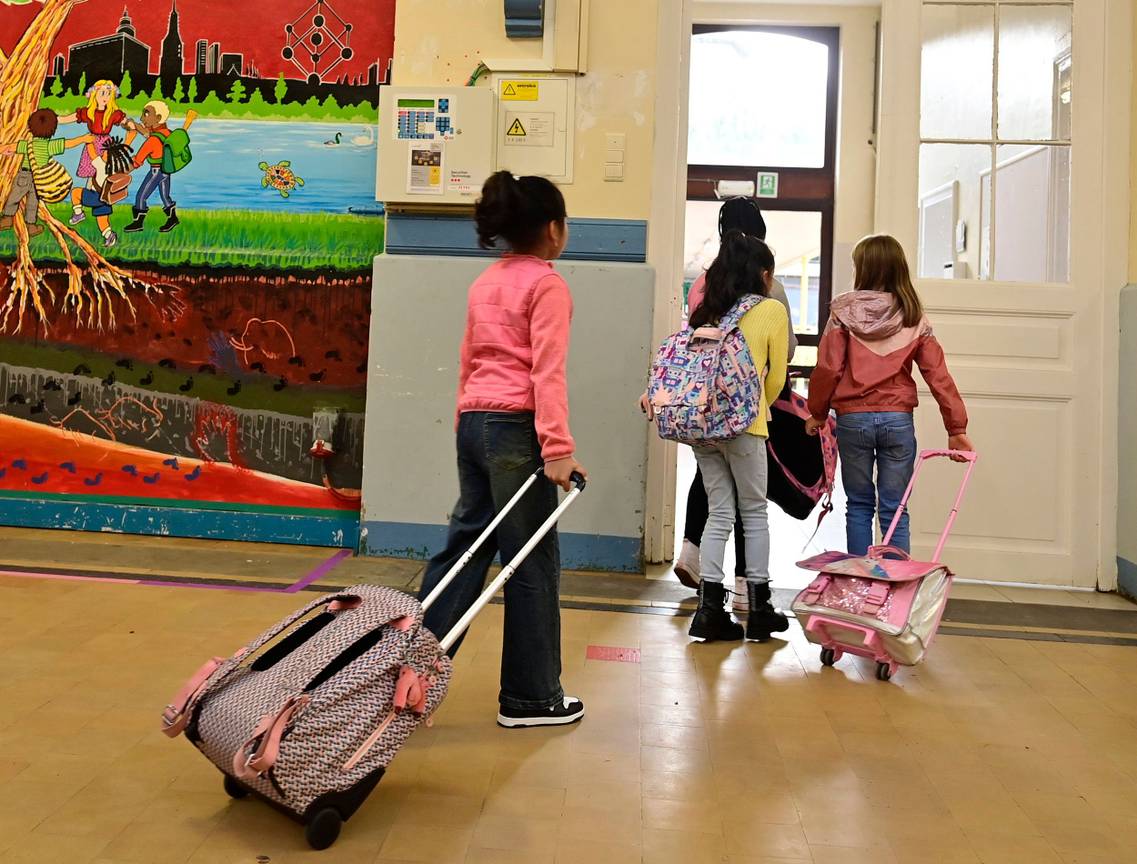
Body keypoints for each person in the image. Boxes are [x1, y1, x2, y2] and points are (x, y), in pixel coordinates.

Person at [417, 171, 588, 729]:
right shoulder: (548, 285)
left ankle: (404, 675)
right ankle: (531, 698)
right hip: (515, 429)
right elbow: (548, 372)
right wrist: (558, 448)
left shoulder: (487, 280)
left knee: (460, 555)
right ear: (553, 230)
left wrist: (467, 426)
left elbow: (469, 359)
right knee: (530, 561)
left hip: (474, 422)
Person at [806, 234, 973, 556]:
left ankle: (859, 582)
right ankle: (894, 588)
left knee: (858, 505)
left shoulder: (843, 312)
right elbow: (939, 376)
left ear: (861, 268)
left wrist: (816, 411)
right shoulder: (913, 317)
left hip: (853, 420)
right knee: (896, 507)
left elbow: (828, 368)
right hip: (897, 421)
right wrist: (957, 428)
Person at [676, 198, 798, 611]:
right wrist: (759, 402)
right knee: (754, 512)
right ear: (764, 273)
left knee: (719, 511)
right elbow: (778, 375)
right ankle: (754, 600)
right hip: (747, 423)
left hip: (704, 423)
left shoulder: (705, 296)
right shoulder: (769, 305)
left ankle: (710, 604)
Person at [0, 109, 91, 238]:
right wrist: (83, 138)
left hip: (25, 175)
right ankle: (31, 225)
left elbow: (10, 147)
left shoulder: (27, 144)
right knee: (33, 202)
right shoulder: (50, 145)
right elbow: (68, 143)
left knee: (14, 196)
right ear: (52, 130)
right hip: (41, 180)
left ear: (30, 127)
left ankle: (7, 218)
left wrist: (4, 150)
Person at [58, 79, 130, 219]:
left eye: (109, 94)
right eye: (102, 93)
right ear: (94, 95)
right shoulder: (88, 112)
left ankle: (98, 199)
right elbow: (69, 118)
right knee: (92, 173)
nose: (105, 97)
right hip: (91, 141)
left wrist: (130, 125)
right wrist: (56, 119)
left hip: (105, 145)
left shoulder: (113, 113)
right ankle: (88, 201)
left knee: (103, 172)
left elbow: (125, 122)